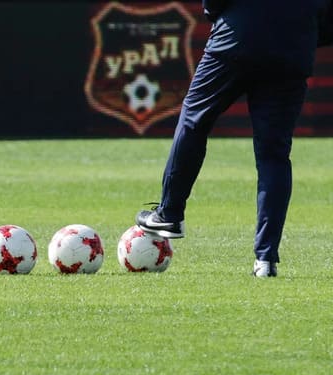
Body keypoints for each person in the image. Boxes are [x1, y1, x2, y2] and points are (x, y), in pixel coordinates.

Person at [135, 0, 333, 277]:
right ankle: (265, 260)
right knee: (274, 155)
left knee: (194, 121)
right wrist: (295, 31)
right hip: (293, 49)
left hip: (238, 36)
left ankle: (169, 214)